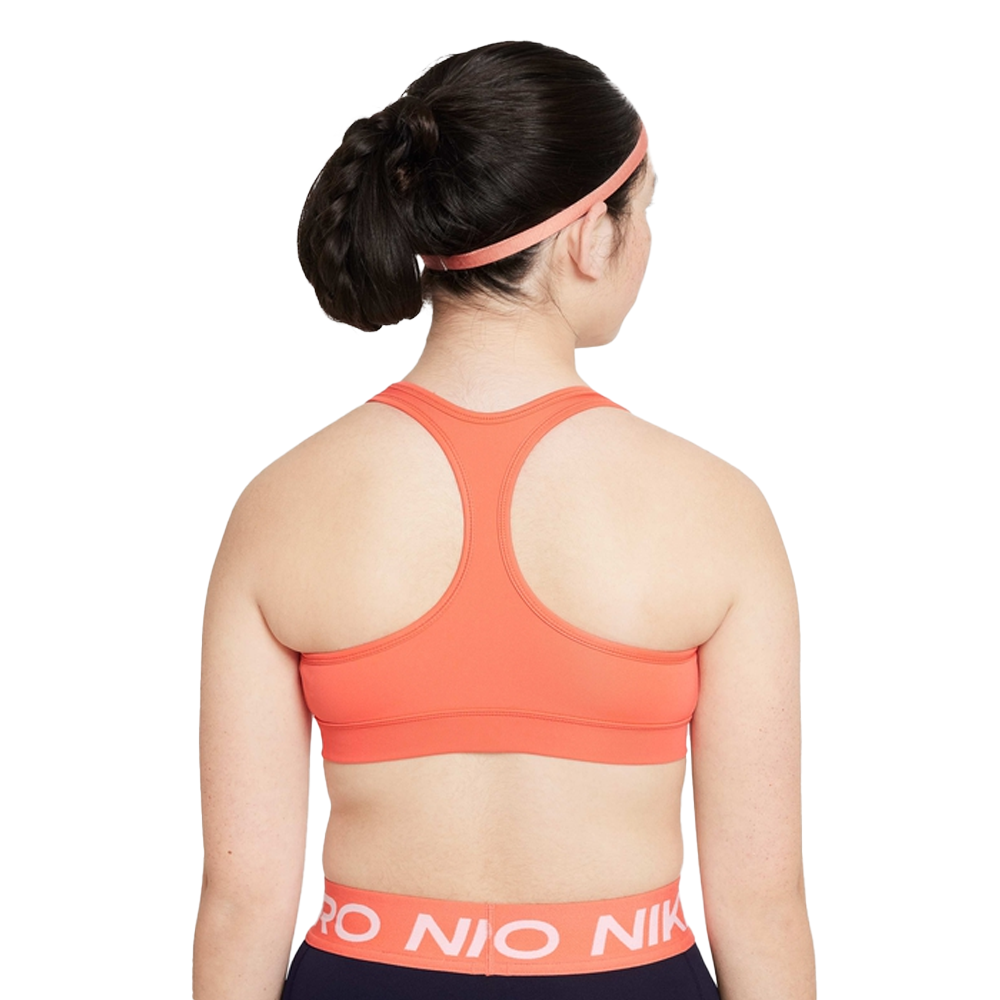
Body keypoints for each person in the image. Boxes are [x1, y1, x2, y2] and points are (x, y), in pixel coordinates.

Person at [193, 40, 815, 1000]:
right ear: (588, 235)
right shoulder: (715, 510)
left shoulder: (281, 505)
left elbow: (240, 904)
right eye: (644, 210)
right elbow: (762, 907)